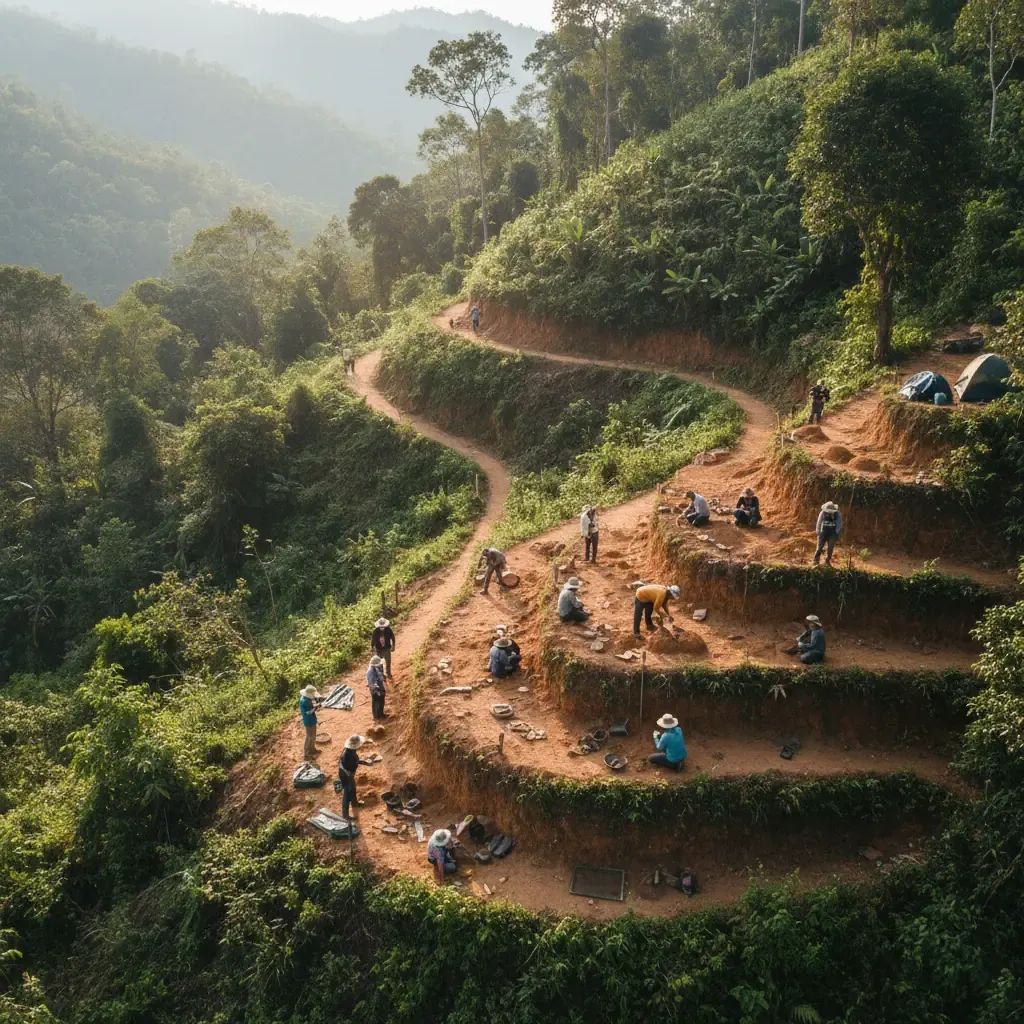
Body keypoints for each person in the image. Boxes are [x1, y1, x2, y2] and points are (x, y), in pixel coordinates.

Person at [337, 734, 373, 820]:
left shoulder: (351, 751)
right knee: (347, 793)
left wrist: (364, 762)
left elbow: (355, 761)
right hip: (346, 776)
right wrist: (349, 776)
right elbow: (343, 765)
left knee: (353, 790)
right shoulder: (347, 754)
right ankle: (345, 814)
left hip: (349, 774)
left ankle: (355, 804)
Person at [813, 501, 842, 567]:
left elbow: (839, 524)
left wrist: (836, 532)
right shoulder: (822, 513)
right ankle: (816, 560)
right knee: (819, 547)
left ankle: (827, 561)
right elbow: (819, 522)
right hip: (823, 532)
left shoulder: (837, 514)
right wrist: (818, 531)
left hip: (832, 533)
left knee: (830, 548)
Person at [298, 684, 321, 762]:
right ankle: (307, 754)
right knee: (309, 736)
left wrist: (316, 705)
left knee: (313, 735)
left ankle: (312, 749)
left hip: (311, 719)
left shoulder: (305, 698)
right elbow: (308, 712)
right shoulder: (305, 701)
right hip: (309, 720)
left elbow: (314, 703)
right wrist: (316, 707)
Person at [366, 655, 387, 720]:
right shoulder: (370, 671)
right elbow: (371, 682)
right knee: (377, 702)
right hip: (375, 689)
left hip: (379, 686)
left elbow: (379, 675)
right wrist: (377, 690)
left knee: (381, 701)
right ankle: (377, 716)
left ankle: (381, 714)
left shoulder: (375, 667)